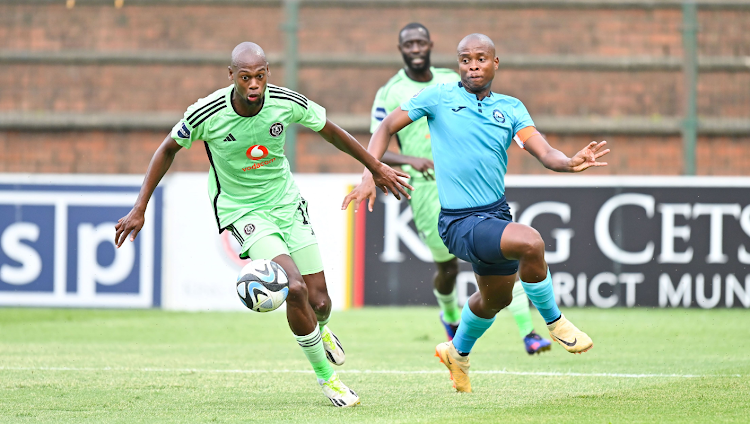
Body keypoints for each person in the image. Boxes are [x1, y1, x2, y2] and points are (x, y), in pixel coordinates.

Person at [114, 42, 412, 407]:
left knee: (321, 301)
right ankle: (328, 379)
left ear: (267, 73)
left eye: (260, 76)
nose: (254, 84)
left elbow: (331, 131)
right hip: (243, 211)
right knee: (295, 288)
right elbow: (166, 149)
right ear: (231, 77)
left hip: (286, 203)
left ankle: (322, 328)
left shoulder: (286, 102)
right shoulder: (206, 113)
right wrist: (140, 206)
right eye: (245, 78)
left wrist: (374, 166)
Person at [344, 34, 608, 393]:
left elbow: (544, 152)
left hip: (494, 214)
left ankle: (457, 352)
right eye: (465, 59)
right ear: (458, 65)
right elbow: (386, 126)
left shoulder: (512, 108)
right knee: (530, 242)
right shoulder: (439, 96)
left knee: (495, 299)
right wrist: (369, 172)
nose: (473, 66)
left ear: (495, 63)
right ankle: (556, 323)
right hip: (457, 221)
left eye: (480, 59)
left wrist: (569, 162)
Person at [371, 23, 551, 355]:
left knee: (509, 250)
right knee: (447, 266)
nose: (415, 48)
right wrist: (390, 166)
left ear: (430, 45)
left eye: (420, 42)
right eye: (408, 43)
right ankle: (451, 317)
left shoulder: (451, 81)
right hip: (426, 189)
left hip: (472, 188)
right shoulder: (391, 92)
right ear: (400, 49)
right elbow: (379, 139)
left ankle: (529, 332)